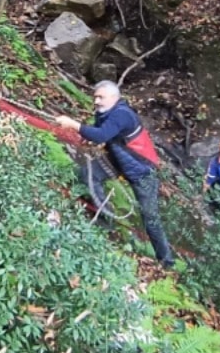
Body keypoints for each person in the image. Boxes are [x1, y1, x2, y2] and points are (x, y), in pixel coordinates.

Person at [55, 81, 176, 269]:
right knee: (88, 173)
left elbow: (101, 135)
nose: (96, 101)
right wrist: (86, 137)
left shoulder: (122, 114)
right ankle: (106, 221)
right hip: (119, 160)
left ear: (114, 97)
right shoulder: (105, 113)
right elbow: (99, 132)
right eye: (95, 97)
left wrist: (73, 124)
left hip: (142, 170)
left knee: (150, 219)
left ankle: (167, 261)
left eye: (100, 97)